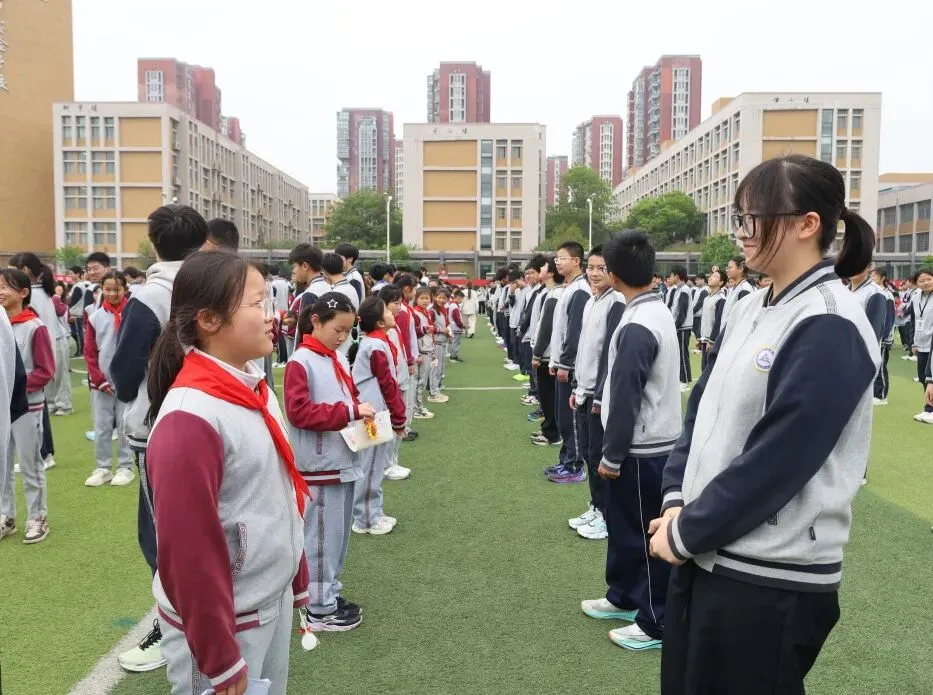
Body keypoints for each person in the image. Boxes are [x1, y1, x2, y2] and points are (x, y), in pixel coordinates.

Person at [652, 154, 879, 695]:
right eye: (741, 219)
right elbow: (701, 409)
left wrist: (687, 530)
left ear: (808, 224)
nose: (742, 235)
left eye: (754, 219)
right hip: (709, 554)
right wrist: (675, 497)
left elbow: (780, 458)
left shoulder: (829, 320)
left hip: (768, 576)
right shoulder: (751, 305)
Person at [145, 251, 309, 695]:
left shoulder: (252, 385)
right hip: (227, 623)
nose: (273, 316)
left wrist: (296, 574)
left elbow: (276, 491)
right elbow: (187, 553)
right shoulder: (190, 417)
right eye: (258, 305)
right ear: (209, 320)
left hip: (262, 600)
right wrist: (219, 656)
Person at [111, 204, 208, 673]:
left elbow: (125, 372)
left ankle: (174, 629)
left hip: (161, 428)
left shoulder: (150, 295)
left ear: (153, 243)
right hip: (215, 419)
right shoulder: (218, 284)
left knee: (163, 537)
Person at [581, 230, 682, 651]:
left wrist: (613, 454)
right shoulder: (649, 310)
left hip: (644, 449)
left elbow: (627, 395)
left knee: (644, 535)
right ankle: (623, 595)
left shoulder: (640, 322)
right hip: (646, 443)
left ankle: (656, 620)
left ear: (616, 273)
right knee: (624, 529)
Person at [284, 292, 371, 632]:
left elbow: (345, 399)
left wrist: (357, 413)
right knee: (320, 538)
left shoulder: (333, 358)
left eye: (348, 331)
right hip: (319, 466)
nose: (342, 337)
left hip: (340, 459)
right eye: (338, 329)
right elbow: (298, 412)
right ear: (315, 322)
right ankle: (319, 609)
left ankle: (328, 593)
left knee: (334, 538)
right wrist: (350, 411)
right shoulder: (301, 361)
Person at [566, 246, 621, 540]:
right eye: (591, 267)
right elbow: (585, 351)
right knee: (589, 453)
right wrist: (579, 387)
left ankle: (607, 515)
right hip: (584, 391)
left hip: (600, 397)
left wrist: (599, 394)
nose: (595, 273)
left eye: (602, 268)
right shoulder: (591, 301)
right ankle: (596, 506)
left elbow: (609, 356)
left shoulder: (617, 303)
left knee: (600, 456)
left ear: (613, 272)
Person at [0, 269, 55, 544]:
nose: (0, 291)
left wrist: (14, 386)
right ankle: (5, 516)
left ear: (23, 292)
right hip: (2, 408)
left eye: (5, 286)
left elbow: (46, 370)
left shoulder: (35, 326)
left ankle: (38, 517)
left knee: (30, 463)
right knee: (2, 464)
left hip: (27, 407)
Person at [351, 296, 408, 535]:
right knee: (370, 465)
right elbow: (387, 383)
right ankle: (365, 518)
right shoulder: (375, 345)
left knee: (374, 465)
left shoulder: (377, 342)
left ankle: (373, 511)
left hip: (375, 412)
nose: (393, 312)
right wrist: (399, 418)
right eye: (387, 310)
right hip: (372, 415)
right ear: (379, 322)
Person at [8, 253, 65, 467]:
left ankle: (44, 453)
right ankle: (43, 453)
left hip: (41, 350)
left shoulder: (38, 295)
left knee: (39, 409)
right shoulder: (43, 292)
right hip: (46, 346)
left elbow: (38, 325)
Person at [83, 271, 133, 488]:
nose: (112, 293)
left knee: (125, 425)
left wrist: (132, 376)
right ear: (101, 290)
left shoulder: (133, 315)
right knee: (102, 426)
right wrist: (98, 379)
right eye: (107, 289)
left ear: (125, 289)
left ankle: (125, 466)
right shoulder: (95, 317)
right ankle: (103, 467)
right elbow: (90, 352)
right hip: (101, 383)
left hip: (127, 381)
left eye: (117, 289)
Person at [548, 241, 590, 484]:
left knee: (570, 417)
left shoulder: (580, 290)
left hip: (571, 367)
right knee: (563, 416)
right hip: (562, 362)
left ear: (576, 261)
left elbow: (574, 332)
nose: (558, 262)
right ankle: (565, 460)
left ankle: (574, 465)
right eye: (556, 258)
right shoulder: (569, 287)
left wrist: (565, 363)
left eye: (562, 258)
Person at [531, 258, 565, 448]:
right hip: (551, 353)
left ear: (551, 273)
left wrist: (537, 353)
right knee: (550, 396)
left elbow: (546, 327)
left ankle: (552, 433)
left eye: (543, 267)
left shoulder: (555, 295)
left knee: (548, 396)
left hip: (548, 354)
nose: (539, 269)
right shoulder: (553, 293)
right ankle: (550, 428)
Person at [287, 244, 331, 344]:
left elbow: (306, 332)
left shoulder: (310, 294)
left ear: (305, 266)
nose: (294, 270)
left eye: (295, 266)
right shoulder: (329, 287)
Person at [906, 268, 933, 423]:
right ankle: (929, 408)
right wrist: (913, 342)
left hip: (932, 344)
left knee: (932, 377)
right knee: (924, 377)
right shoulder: (916, 297)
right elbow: (914, 320)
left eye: (928, 279)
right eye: (921, 281)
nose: (925, 283)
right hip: (921, 342)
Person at [666, 265, 694, 391]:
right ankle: (681, 379)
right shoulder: (678, 290)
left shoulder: (684, 290)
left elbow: (682, 312)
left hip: (682, 328)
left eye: (672, 275)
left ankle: (686, 381)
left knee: (683, 355)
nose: (670, 277)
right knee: (679, 354)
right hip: (679, 328)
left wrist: (675, 326)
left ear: (677, 276)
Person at [410, 287, 436, 420]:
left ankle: (417, 406)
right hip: (421, 351)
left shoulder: (426, 312)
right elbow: (413, 333)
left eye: (427, 298)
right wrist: (424, 330)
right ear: (416, 299)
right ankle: (416, 408)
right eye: (422, 298)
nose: (425, 301)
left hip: (427, 348)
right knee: (419, 382)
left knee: (421, 381)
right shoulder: (416, 314)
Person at [427, 288, 452, 404]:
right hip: (435, 343)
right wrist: (442, 330)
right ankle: (433, 393)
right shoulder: (432, 311)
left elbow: (446, 325)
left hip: (442, 342)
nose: (441, 300)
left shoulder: (443, 310)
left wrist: (448, 333)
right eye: (440, 297)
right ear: (435, 297)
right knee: (435, 369)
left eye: (444, 298)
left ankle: (436, 390)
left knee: (439, 369)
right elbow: (428, 327)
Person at [698, 270, 727, 371]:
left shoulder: (721, 299)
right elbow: (704, 320)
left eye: (715, 276)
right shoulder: (707, 298)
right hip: (705, 339)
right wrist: (700, 338)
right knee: (703, 368)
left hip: (712, 341)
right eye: (711, 276)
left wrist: (712, 341)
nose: (710, 277)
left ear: (721, 282)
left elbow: (718, 322)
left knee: (709, 370)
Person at [721, 255, 754, 324]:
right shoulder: (733, 288)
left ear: (741, 269)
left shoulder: (744, 289)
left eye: (730, 268)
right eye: (727, 268)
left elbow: (742, 317)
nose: (727, 270)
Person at [690, 274, 708, 350]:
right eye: (696, 280)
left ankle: (700, 348)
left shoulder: (705, 290)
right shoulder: (698, 289)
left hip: (700, 315)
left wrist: (691, 312)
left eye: (698, 280)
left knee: (699, 333)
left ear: (703, 280)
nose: (696, 281)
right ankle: (699, 348)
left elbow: (700, 303)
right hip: (696, 315)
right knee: (697, 333)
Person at [448, 291, 466, 362]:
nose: (462, 300)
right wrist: (462, 326)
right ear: (458, 298)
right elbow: (457, 318)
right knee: (456, 342)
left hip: (453, 326)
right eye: (462, 299)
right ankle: (453, 356)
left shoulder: (452, 305)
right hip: (456, 327)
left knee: (454, 341)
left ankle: (453, 355)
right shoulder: (455, 306)